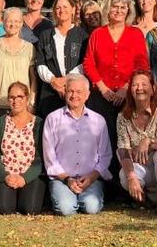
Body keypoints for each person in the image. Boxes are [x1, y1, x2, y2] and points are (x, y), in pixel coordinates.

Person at [83, 0, 149, 177]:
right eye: (115, 7)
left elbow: (142, 64)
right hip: (101, 95)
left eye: (123, 7)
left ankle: (127, 180)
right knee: (101, 138)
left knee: (126, 139)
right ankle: (102, 179)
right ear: (108, 9)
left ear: (128, 10)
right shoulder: (97, 34)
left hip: (128, 96)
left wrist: (125, 89)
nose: (119, 11)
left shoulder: (135, 34)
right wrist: (103, 88)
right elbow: (89, 63)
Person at [43, 74, 113, 216]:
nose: (74, 95)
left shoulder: (98, 121)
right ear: (65, 93)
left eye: (79, 92)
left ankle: (84, 198)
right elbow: (50, 158)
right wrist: (67, 179)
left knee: (91, 207)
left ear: (87, 95)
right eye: (70, 91)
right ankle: (68, 198)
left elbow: (105, 156)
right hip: (62, 179)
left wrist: (91, 178)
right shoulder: (53, 119)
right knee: (66, 209)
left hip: (90, 179)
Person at [117, 71, 157, 211]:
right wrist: (131, 177)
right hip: (139, 166)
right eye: (135, 85)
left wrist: (148, 141)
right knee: (125, 175)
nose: (139, 88)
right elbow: (123, 150)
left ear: (153, 89)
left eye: (144, 84)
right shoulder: (123, 116)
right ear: (130, 90)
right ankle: (143, 200)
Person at [0, 82, 46, 215]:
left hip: (29, 174)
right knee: (5, 208)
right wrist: (5, 176)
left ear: (27, 98)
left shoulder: (39, 123)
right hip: (6, 173)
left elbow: (41, 157)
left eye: (20, 97)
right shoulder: (0, 123)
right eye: (12, 97)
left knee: (30, 208)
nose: (16, 101)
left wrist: (24, 178)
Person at [35, 0, 89, 118]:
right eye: (58, 8)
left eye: (65, 7)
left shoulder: (82, 35)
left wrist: (66, 80)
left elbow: (84, 62)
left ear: (73, 9)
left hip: (75, 93)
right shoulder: (45, 35)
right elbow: (41, 63)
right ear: (54, 11)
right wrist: (53, 80)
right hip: (50, 93)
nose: (62, 10)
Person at [0, 7, 36, 117]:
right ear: (3, 22)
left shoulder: (29, 48)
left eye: (16, 21)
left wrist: (31, 101)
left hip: (22, 105)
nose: (12, 24)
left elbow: (33, 79)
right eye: (9, 21)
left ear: (21, 23)